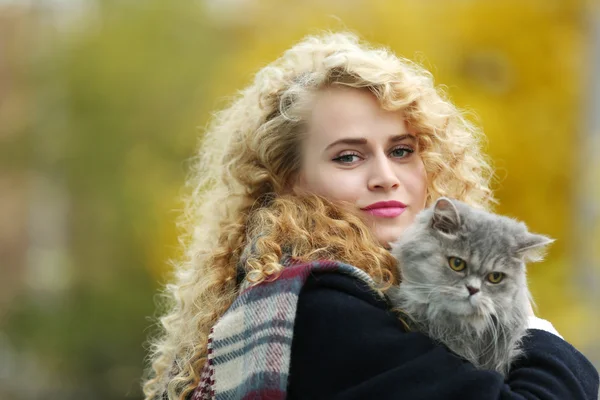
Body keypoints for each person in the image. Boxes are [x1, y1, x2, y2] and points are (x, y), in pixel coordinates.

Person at [142, 32, 599, 400]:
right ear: (289, 181)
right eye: (348, 157)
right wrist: (535, 334)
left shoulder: (375, 293)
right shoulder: (322, 309)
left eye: (402, 150)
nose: (385, 176)